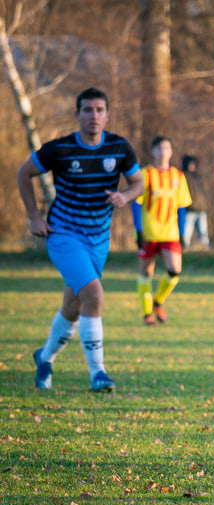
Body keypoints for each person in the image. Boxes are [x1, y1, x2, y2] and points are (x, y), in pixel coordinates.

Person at [17, 87, 144, 392]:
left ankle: (44, 358)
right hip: (64, 235)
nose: (94, 116)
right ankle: (98, 373)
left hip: (98, 240)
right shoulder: (59, 149)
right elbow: (24, 173)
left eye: (100, 110)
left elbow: (139, 183)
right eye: (87, 110)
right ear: (77, 115)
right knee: (95, 295)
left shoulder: (119, 148)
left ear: (107, 114)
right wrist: (34, 216)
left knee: (74, 307)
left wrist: (124, 195)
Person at [132, 136, 192, 326]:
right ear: (153, 151)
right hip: (148, 232)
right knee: (146, 274)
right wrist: (139, 230)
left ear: (171, 151)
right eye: (159, 148)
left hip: (170, 233)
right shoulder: (145, 174)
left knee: (175, 270)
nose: (163, 152)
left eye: (166, 148)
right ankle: (147, 313)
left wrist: (182, 233)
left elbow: (182, 206)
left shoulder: (178, 176)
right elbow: (136, 203)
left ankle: (158, 301)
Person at [181, 155, 210, 250]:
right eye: (190, 164)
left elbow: (204, 193)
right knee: (186, 232)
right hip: (189, 209)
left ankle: (206, 249)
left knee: (203, 232)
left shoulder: (199, 177)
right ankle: (184, 248)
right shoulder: (183, 176)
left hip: (201, 209)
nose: (192, 166)